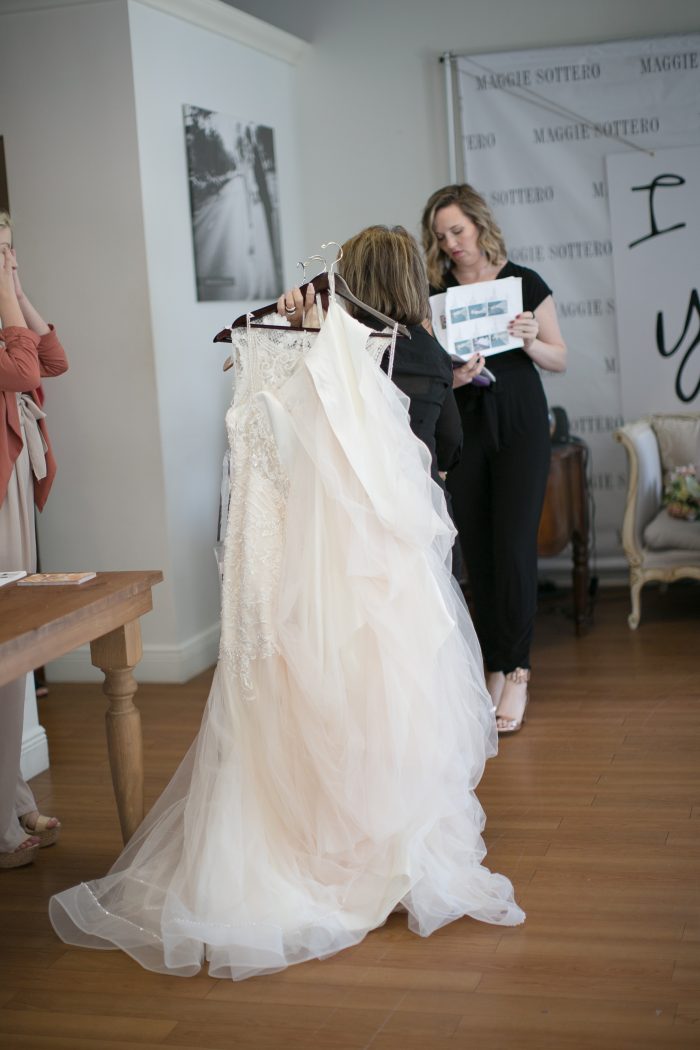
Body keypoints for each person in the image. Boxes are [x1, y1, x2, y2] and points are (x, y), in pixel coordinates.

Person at [50, 226, 523, 980]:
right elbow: (449, 451)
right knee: (394, 698)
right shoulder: (428, 357)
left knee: (325, 694)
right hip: (395, 564)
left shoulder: (311, 350)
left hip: (318, 561)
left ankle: (328, 843)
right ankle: (388, 847)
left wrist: (289, 343)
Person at [421, 185, 567, 734]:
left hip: (522, 423)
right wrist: (454, 377)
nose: (451, 243)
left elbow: (560, 357)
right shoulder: (435, 295)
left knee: (514, 547)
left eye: (457, 230)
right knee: (479, 552)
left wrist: (529, 341)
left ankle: (518, 670)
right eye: (441, 236)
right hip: (466, 424)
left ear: (479, 225)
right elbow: (431, 372)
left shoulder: (525, 283)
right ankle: (495, 666)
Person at [279, 225, 485, 491]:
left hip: (356, 498)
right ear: (412, 279)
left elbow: (300, 425)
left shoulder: (339, 343)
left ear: (355, 283)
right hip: (421, 498)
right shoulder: (433, 352)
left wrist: (298, 331)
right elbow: (450, 445)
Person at [0, 211, 68, 868]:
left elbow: (54, 359)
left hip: (14, 488)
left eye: (11, 251)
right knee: (4, 644)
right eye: (2, 253)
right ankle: (2, 816)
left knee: (15, 647)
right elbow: (22, 374)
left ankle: (11, 795)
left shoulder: (5, 311)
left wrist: (17, 291)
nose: (10, 260)